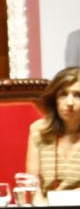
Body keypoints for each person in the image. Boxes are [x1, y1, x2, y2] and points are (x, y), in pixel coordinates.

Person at [25, 66, 80, 195]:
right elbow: (33, 185)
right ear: (54, 99)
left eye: (78, 95)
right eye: (63, 94)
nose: (70, 103)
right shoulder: (39, 130)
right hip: (47, 205)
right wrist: (40, 203)